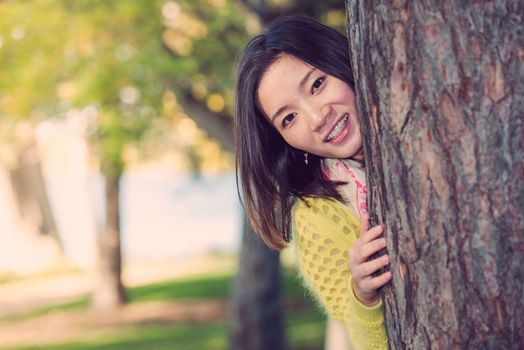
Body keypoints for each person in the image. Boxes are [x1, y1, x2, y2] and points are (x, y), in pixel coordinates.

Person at [234, 15, 391, 350]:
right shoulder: (316, 220)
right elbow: (365, 341)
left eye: (317, 85)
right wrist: (363, 295)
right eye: (289, 118)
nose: (319, 118)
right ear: (283, 141)